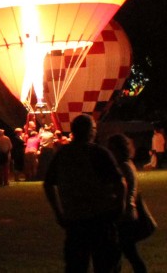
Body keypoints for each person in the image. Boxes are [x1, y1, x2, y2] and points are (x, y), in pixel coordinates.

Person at [43, 113, 126, 273]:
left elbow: (48, 184)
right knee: (106, 265)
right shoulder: (99, 153)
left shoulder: (62, 154)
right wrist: (120, 205)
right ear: (90, 131)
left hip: (75, 219)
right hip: (100, 218)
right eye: (94, 128)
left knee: (76, 265)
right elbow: (119, 182)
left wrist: (59, 212)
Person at [107, 134, 148, 273]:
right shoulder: (126, 164)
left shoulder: (123, 166)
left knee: (125, 252)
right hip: (126, 212)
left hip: (124, 214)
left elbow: (123, 188)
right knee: (122, 252)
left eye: (111, 149)